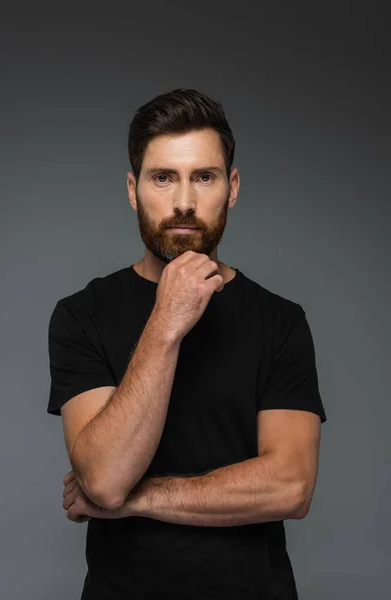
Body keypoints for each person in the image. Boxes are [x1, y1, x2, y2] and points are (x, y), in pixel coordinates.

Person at [47, 88, 327, 599]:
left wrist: (137, 499)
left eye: (204, 176)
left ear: (232, 187)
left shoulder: (280, 321)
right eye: (162, 177)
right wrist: (167, 322)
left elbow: (291, 485)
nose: (183, 201)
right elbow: (105, 479)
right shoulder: (81, 315)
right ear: (133, 190)